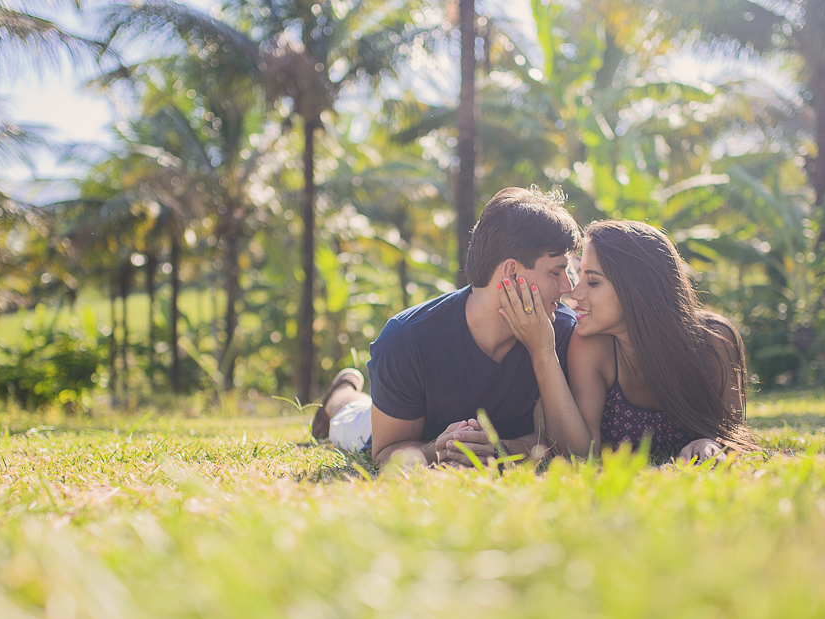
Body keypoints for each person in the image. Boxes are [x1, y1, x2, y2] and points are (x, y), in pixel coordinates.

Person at [310, 186, 583, 465]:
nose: (569, 287)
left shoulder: (559, 330)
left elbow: (562, 447)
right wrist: (438, 449)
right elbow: (384, 453)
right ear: (511, 272)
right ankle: (339, 395)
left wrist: (497, 448)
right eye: (555, 272)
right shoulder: (407, 339)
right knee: (353, 418)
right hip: (408, 429)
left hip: (484, 432)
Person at [496, 219, 756, 463]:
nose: (576, 292)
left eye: (593, 281)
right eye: (580, 277)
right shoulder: (591, 347)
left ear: (636, 288)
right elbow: (581, 455)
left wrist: (709, 442)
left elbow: (734, 432)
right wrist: (542, 351)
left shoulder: (714, 341)